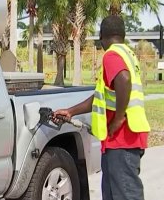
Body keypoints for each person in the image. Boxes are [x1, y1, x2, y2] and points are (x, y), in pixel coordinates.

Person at [53, 15, 150, 200]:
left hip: (123, 138)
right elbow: (100, 97)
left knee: (125, 194)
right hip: (125, 138)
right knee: (114, 193)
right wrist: (71, 111)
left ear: (102, 36)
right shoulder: (128, 54)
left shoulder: (112, 55)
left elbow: (124, 79)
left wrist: (119, 118)